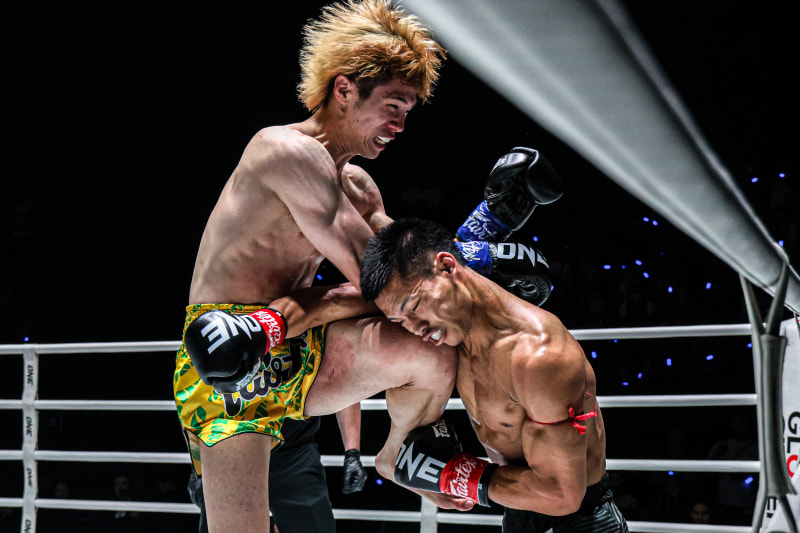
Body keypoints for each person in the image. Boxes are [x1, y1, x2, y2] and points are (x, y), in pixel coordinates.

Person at [173, 2, 460, 532]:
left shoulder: (359, 187)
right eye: (392, 106)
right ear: (344, 90)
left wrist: (472, 256)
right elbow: (384, 280)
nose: (400, 125)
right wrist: (456, 272)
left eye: (407, 111)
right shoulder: (283, 150)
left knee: (431, 349)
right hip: (229, 355)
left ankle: (400, 455)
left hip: (295, 342)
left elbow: (416, 275)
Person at [359, 218, 629, 532]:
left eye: (416, 305)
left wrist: (454, 475)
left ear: (447, 267)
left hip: (581, 517)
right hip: (518, 506)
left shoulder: (539, 357)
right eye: (401, 320)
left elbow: (561, 495)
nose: (415, 328)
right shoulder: (452, 335)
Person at [188, 413, 360, 533]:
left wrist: (352, 451)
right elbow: (192, 391)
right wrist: (199, 463)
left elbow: (342, 375)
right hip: (231, 453)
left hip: (294, 452)